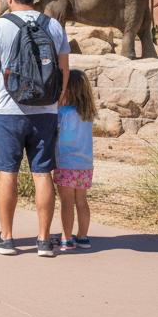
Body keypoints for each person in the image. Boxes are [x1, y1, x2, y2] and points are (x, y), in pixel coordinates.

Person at [0, 0, 71, 258]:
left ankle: (6, 238)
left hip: (9, 112)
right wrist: (56, 101)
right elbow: (64, 70)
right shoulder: (53, 26)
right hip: (46, 112)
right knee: (43, 174)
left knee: (9, 172)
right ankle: (44, 241)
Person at [55, 69, 96, 250]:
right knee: (81, 201)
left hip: (66, 163)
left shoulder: (63, 113)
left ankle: (66, 237)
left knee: (66, 202)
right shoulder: (88, 114)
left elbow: (59, 135)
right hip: (85, 164)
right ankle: (83, 236)